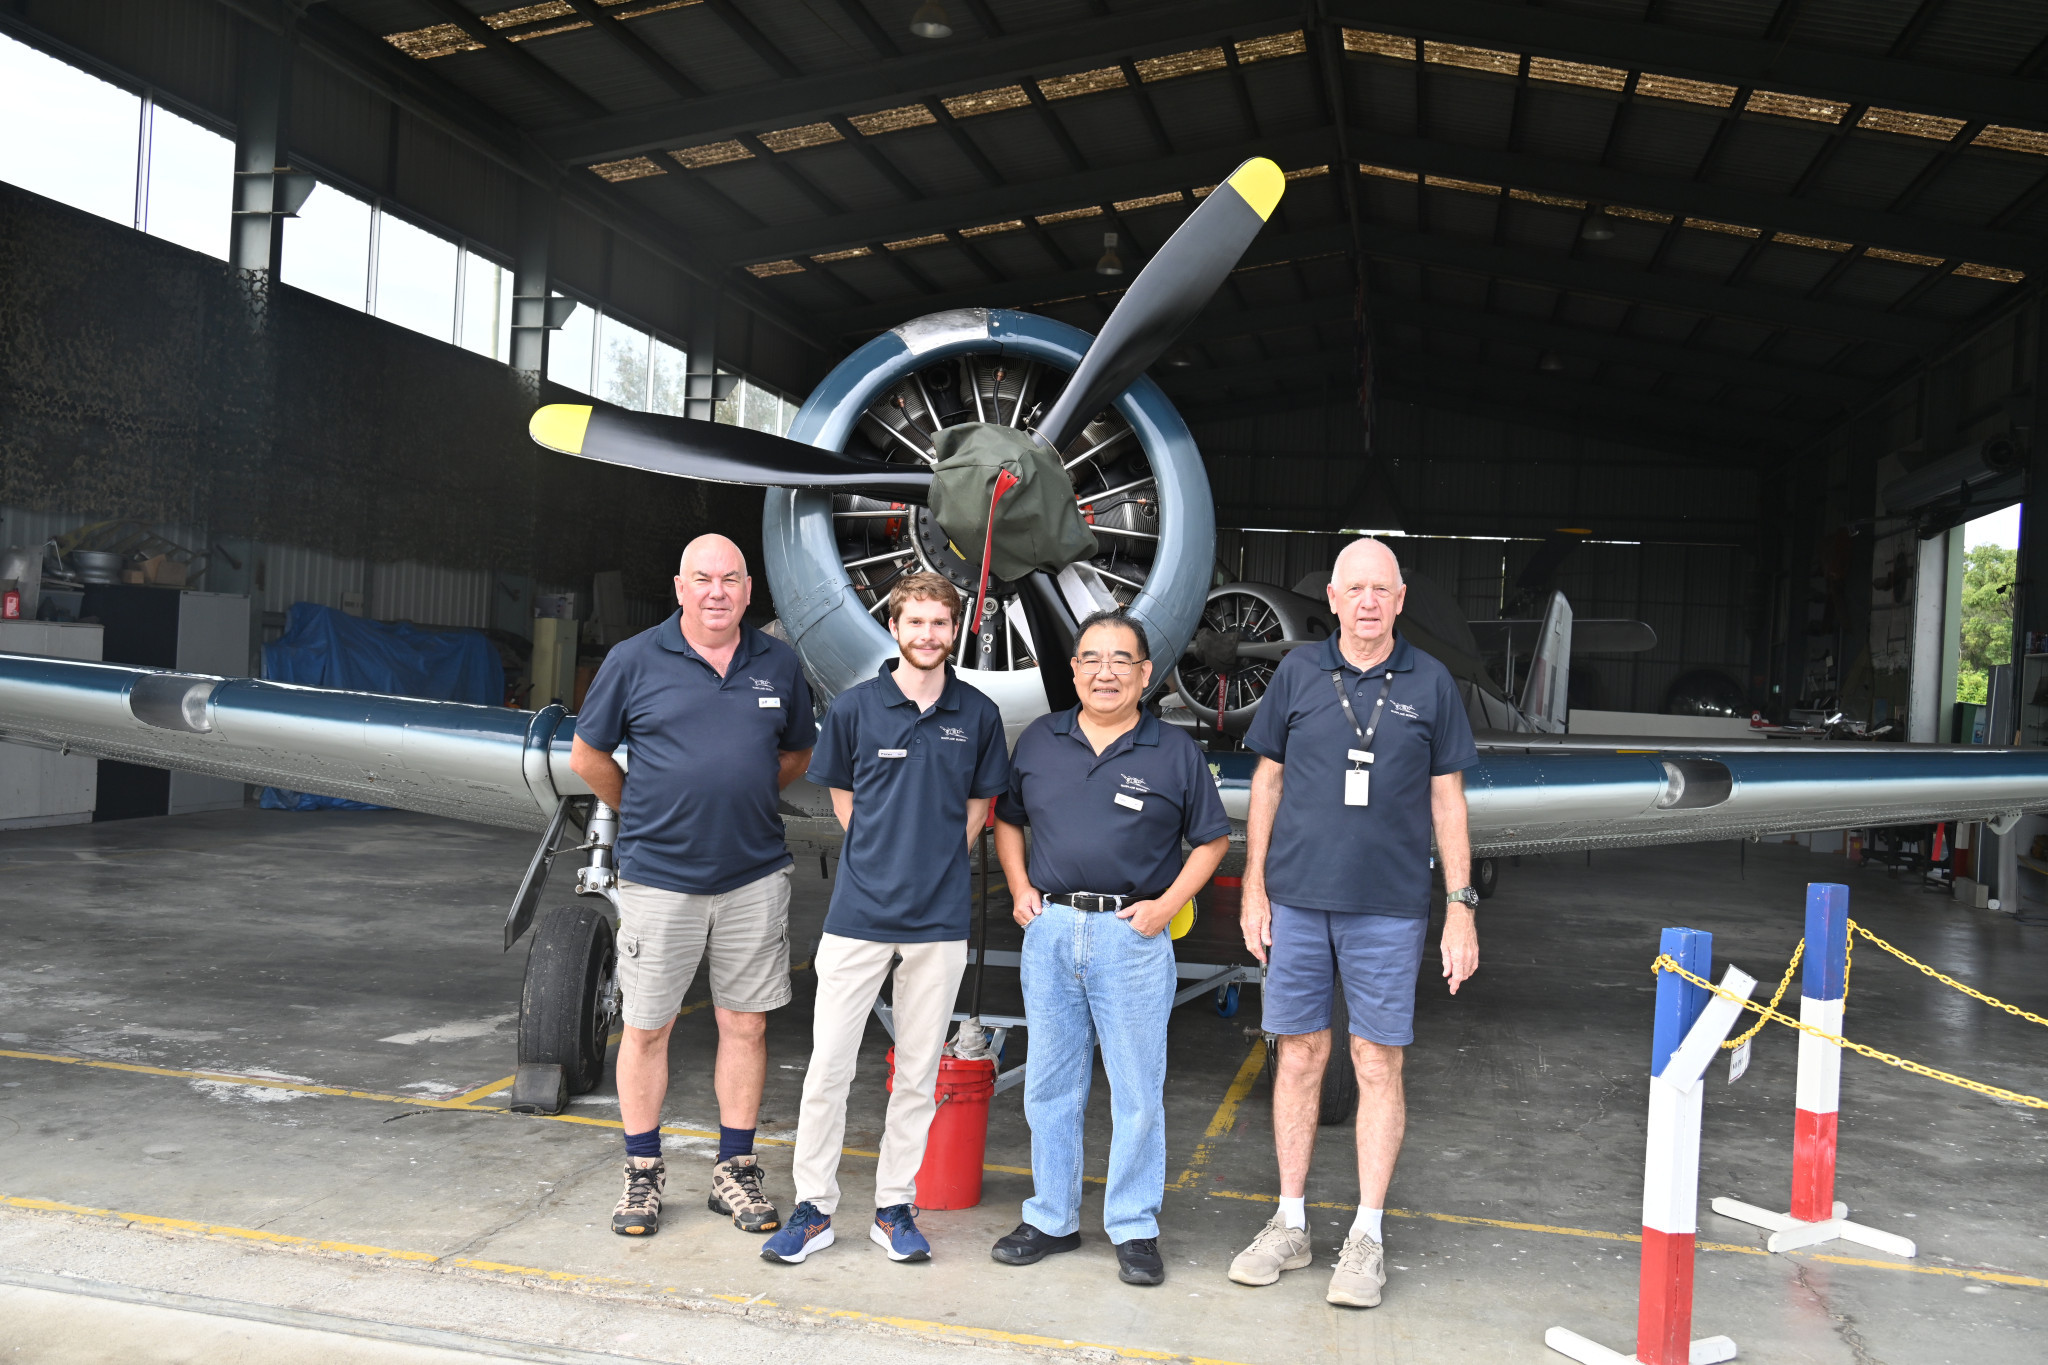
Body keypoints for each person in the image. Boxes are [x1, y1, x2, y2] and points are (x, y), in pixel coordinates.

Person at [1228, 536, 1480, 1308]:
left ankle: (1367, 1233)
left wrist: (1460, 908)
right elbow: (1265, 783)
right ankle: (1291, 1221)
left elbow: (1448, 800)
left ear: (1400, 600)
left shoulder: (1432, 683)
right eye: (1354, 588)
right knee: (1298, 1056)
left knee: (1377, 1062)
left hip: (1390, 908)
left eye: (1382, 588)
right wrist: (1252, 887)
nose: (1368, 600)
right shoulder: (1298, 674)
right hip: (1298, 901)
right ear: (1331, 599)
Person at [569, 534, 815, 1240]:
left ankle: (734, 1169)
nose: (717, 591)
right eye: (702, 578)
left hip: (753, 876)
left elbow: (797, 751)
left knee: (747, 1022)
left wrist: (743, 794)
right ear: (679, 587)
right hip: (660, 879)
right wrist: (644, 805)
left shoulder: (779, 663)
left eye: (730, 579)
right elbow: (588, 752)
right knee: (646, 1027)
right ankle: (642, 1172)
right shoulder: (635, 659)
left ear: (746, 590)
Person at [760, 572, 1011, 1266]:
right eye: (916, 622)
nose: (927, 635)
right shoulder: (855, 708)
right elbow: (842, 794)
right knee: (829, 1066)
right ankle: (813, 1208)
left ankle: (894, 1206)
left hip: (938, 920)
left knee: (920, 1072)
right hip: (859, 913)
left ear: (954, 629)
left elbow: (977, 808)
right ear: (894, 627)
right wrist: (880, 856)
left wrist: (932, 860)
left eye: (940, 623)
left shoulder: (979, 714)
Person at [988, 609, 1232, 1287]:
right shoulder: (1040, 740)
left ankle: (1133, 1224)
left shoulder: (1174, 751)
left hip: (1132, 936)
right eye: (1091, 658)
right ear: (1073, 671)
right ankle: (1052, 1217)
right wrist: (1018, 891)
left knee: (1136, 1089)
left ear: (1145, 674)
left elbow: (1212, 839)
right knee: (1050, 1084)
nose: (1105, 671)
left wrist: (1168, 904)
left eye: (1120, 659)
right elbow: (1008, 820)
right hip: (1053, 931)